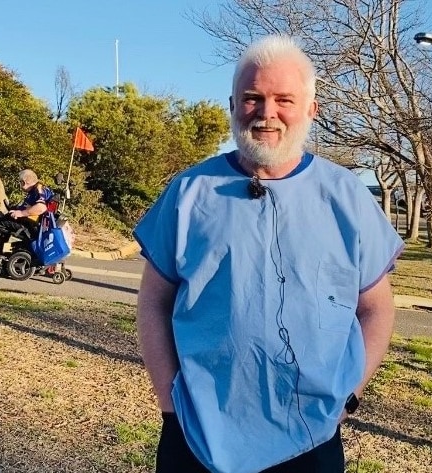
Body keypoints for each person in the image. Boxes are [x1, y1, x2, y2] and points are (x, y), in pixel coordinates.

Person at [134, 35, 403, 473]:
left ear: (311, 109)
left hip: (310, 436)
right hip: (199, 434)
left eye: (284, 99)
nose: (266, 112)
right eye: (252, 98)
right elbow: (152, 302)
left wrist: (350, 395)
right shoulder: (188, 192)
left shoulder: (346, 196)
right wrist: (170, 403)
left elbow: (376, 309)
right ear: (233, 104)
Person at [0, 169, 53, 257]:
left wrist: (21, 213)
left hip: (35, 228)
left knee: (1, 222)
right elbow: (30, 206)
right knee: (8, 219)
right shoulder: (39, 189)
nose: (20, 185)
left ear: (24, 182)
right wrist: (16, 210)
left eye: (20, 183)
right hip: (39, 226)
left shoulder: (38, 190)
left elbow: (41, 208)